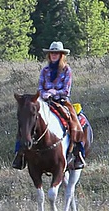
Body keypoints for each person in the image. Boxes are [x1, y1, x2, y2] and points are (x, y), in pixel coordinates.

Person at [12, 41, 86, 170]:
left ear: (61, 55)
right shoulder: (45, 70)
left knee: (74, 120)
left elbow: (66, 90)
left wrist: (54, 92)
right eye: (52, 53)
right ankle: (20, 153)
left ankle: (78, 152)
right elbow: (40, 87)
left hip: (61, 101)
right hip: (44, 101)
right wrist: (44, 94)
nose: (53, 55)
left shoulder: (67, 69)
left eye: (56, 53)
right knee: (26, 120)